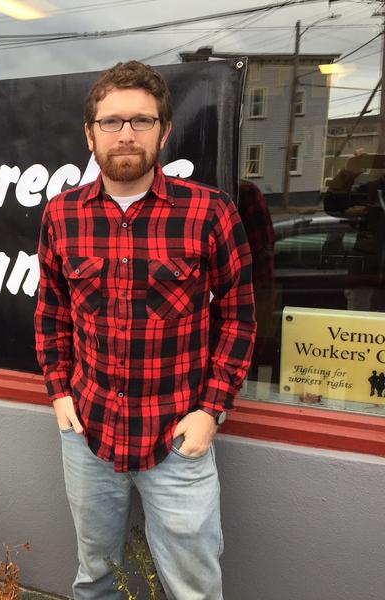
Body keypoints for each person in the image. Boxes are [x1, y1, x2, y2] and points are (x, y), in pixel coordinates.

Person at [34, 61, 256, 600]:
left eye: (141, 120)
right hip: (89, 432)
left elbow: (240, 316)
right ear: (90, 134)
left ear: (164, 129)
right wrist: (59, 391)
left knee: (195, 588)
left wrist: (211, 411)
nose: (126, 134)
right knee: (94, 578)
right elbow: (51, 310)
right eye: (111, 122)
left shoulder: (209, 212)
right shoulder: (62, 215)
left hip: (180, 437)